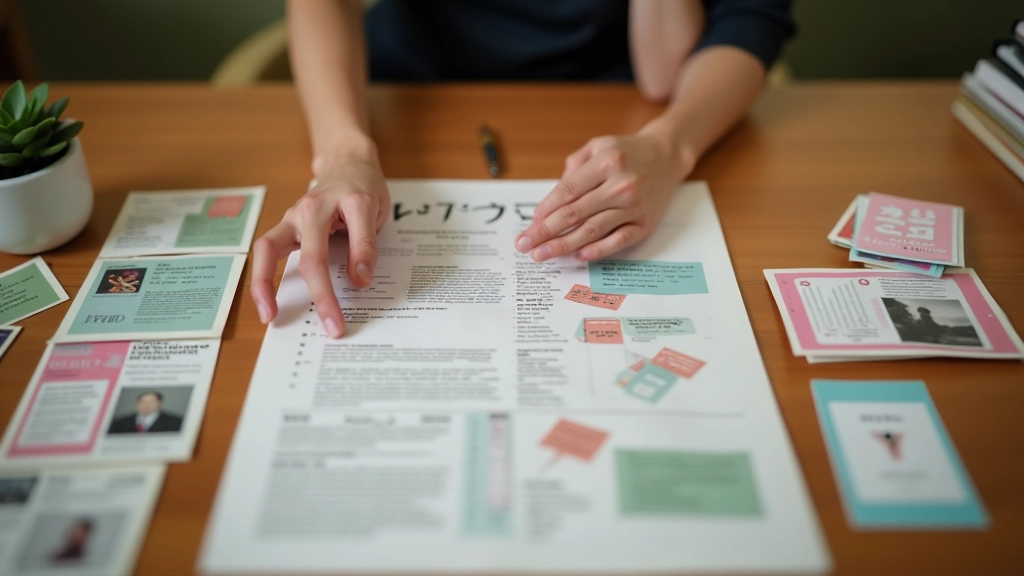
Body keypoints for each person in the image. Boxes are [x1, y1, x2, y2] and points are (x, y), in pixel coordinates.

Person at [252, 0, 795, 338]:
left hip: (618, 104)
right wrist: (343, 152)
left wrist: (670, 148)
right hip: (402, 93)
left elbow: (677, 63)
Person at [107, 391, 183, 434]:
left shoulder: (176, 422)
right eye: (142, 401)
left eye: (151, 402)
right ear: (136, 403)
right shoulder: (119, 422)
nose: (146, 405)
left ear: (160, 403)